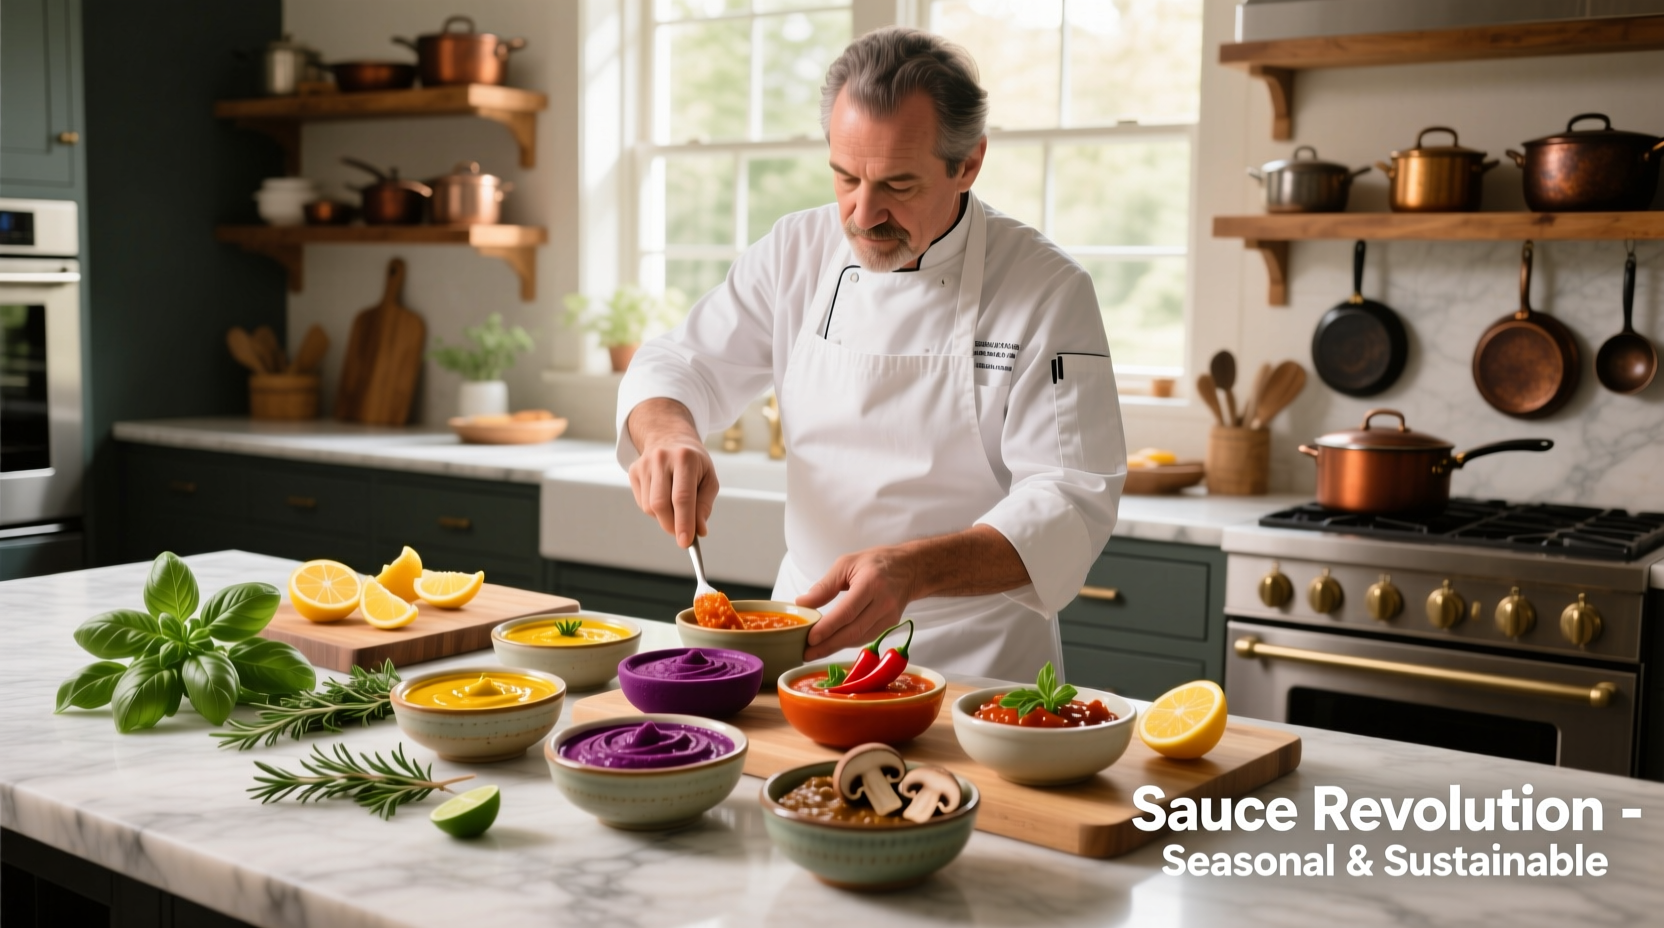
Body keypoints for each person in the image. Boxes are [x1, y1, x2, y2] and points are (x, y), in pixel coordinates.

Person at [615, 26, 1125, 681]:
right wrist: (667, 435)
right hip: (800, 644)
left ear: (968, 164)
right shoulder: (794, 251)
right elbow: (680, 363)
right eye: (845, 176)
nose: (862, 213)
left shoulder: (1047, 289)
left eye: (899, 185)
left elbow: (1072, 496)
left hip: (974, 663)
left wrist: (912, 570)